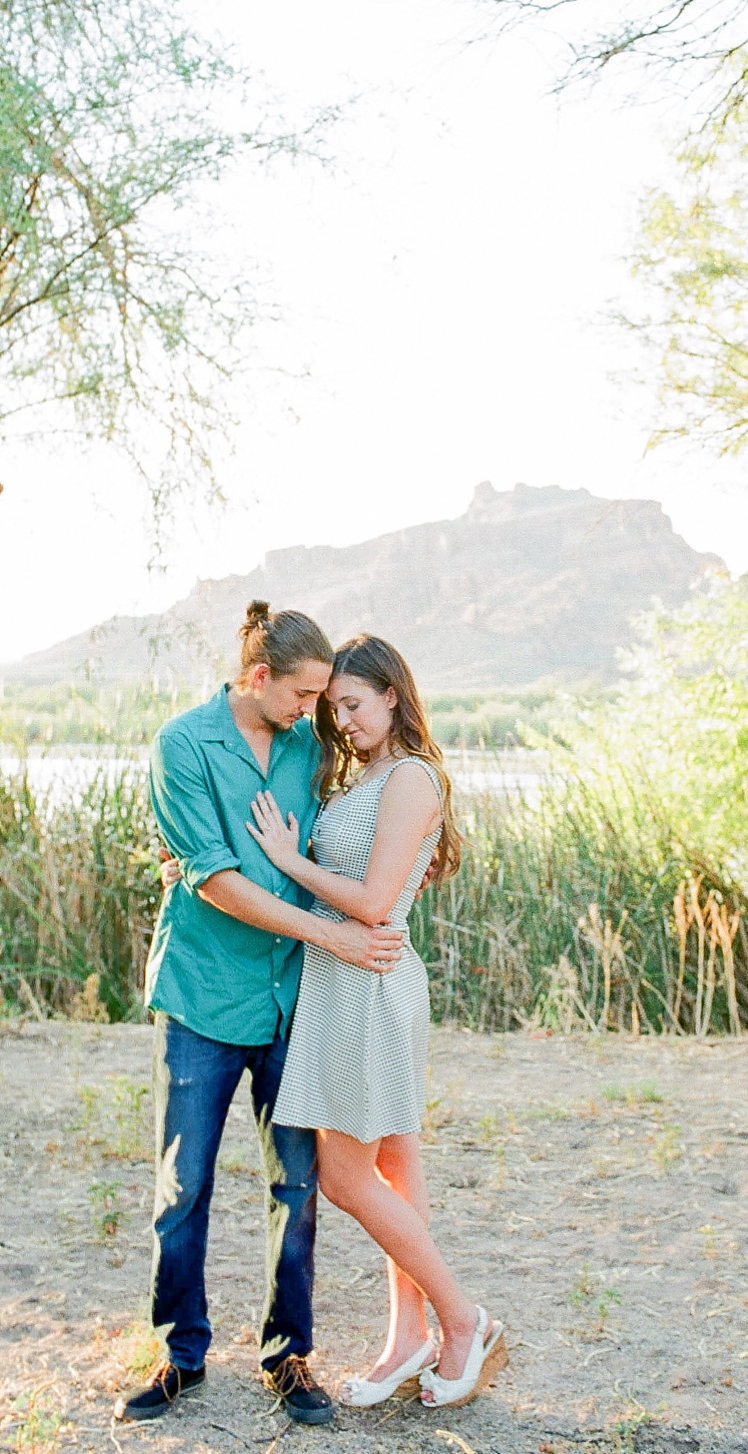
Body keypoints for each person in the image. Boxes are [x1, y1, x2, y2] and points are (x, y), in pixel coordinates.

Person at [113, 603, 405, 1427]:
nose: (316, 710)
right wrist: (332, 934)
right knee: (184, 1185)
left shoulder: (313, 749)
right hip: (204, 996)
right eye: (305, 693)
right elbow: (212, 877)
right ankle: (181, 1356)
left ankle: (289, 1357)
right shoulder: (182, 745)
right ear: (257, 678)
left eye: (326, 696)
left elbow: (353, 827)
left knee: (299, 1184)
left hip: (294, 999)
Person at [244, 634, 507, 1410]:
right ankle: (407, 1339)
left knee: (347, 1176)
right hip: (342, 980)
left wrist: (288, 860)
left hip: (369, 985)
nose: (344, 721)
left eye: (354, 705)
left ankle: (461, 1321)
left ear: (392, 695)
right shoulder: (369, 775)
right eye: (333, 709)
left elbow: (371, 901)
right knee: (396, 1167)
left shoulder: (412, 779)